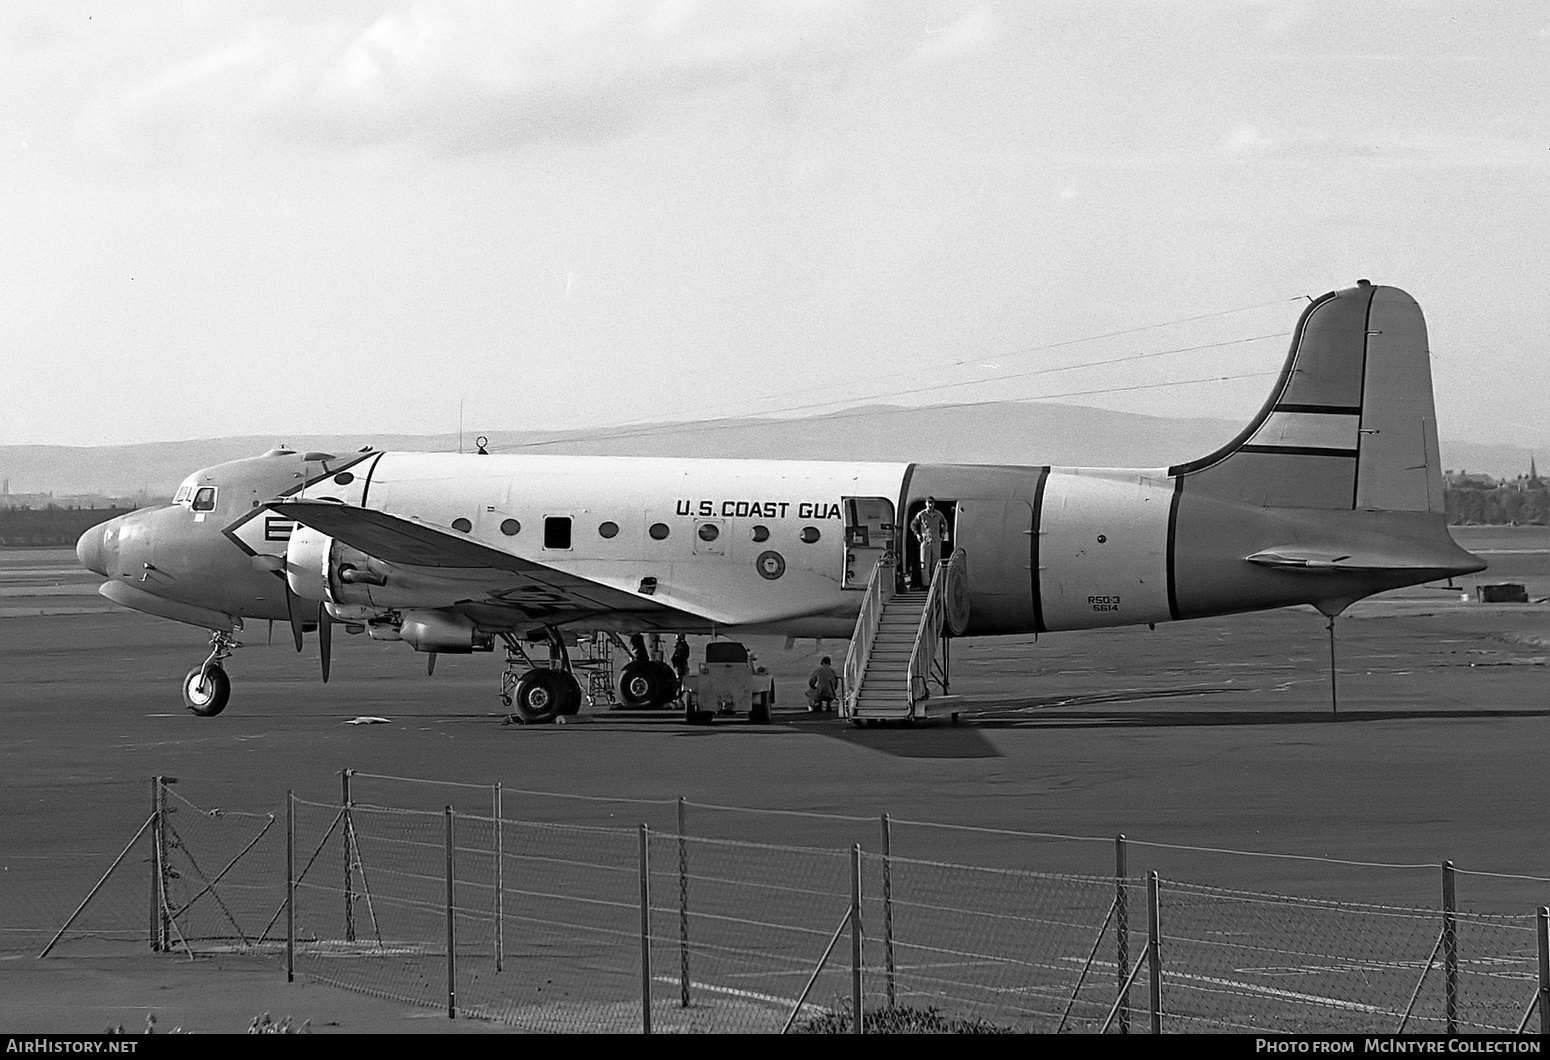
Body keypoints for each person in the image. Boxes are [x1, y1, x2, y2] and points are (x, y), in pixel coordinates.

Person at [910, 497, 949, 589]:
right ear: (926, 503)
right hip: (925, 541)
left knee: (936, 562)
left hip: (936, 541)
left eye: (932, 503)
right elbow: (913, 524)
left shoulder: (938, 514)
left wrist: (943, 534)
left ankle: (935, 583)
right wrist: (917, 534)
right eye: (929, 503)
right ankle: (926, 584)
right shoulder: (921, 514)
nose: (930, 505)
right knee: (924, 563)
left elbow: (944, 523)